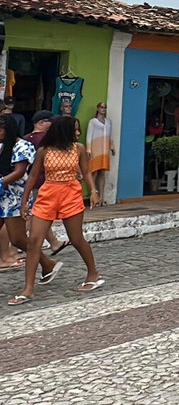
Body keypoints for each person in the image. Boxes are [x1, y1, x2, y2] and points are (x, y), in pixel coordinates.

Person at [9, 116, 101, 304]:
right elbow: (33, 175)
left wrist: (93, 190)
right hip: (48, 194)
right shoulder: (44, 150)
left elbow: (86, 171)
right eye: (74, 130)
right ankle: (28, 290)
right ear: (63, 130)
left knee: (76, 239)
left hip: (71, 193)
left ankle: (93, 274)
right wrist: (25, 201)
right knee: (34, 241)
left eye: (78, 130)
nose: (78, 133)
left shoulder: (79, 149)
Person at [0, 115, 59, 279]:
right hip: (2, 194)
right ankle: (47, 264)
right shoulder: (2, 146)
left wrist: (1, 182)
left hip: (15, 197)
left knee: (18, 239)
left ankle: (46, 263)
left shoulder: (23, 146)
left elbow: (19, 172)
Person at [23, 110, 65, 254]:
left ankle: (54, 242)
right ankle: (16, 244)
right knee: (37, 215)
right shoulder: (47, 140)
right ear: (41, 123)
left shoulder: (26, 138)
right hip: (44, 181)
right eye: (50, 121)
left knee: (38, 214)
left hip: (30, 180)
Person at [85, 102, 114, 204]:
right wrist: (88, 149)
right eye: (101, 107)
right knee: (94, 172)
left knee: (102, 172)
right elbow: (89, 135)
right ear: (97, 108)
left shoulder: (108, 122)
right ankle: (93, 196)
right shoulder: (93, 122)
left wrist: (111, 147)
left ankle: (101, 197)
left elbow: (110, 136)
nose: (103, 109)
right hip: (95, 149)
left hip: (104, 150)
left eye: (105, 107)